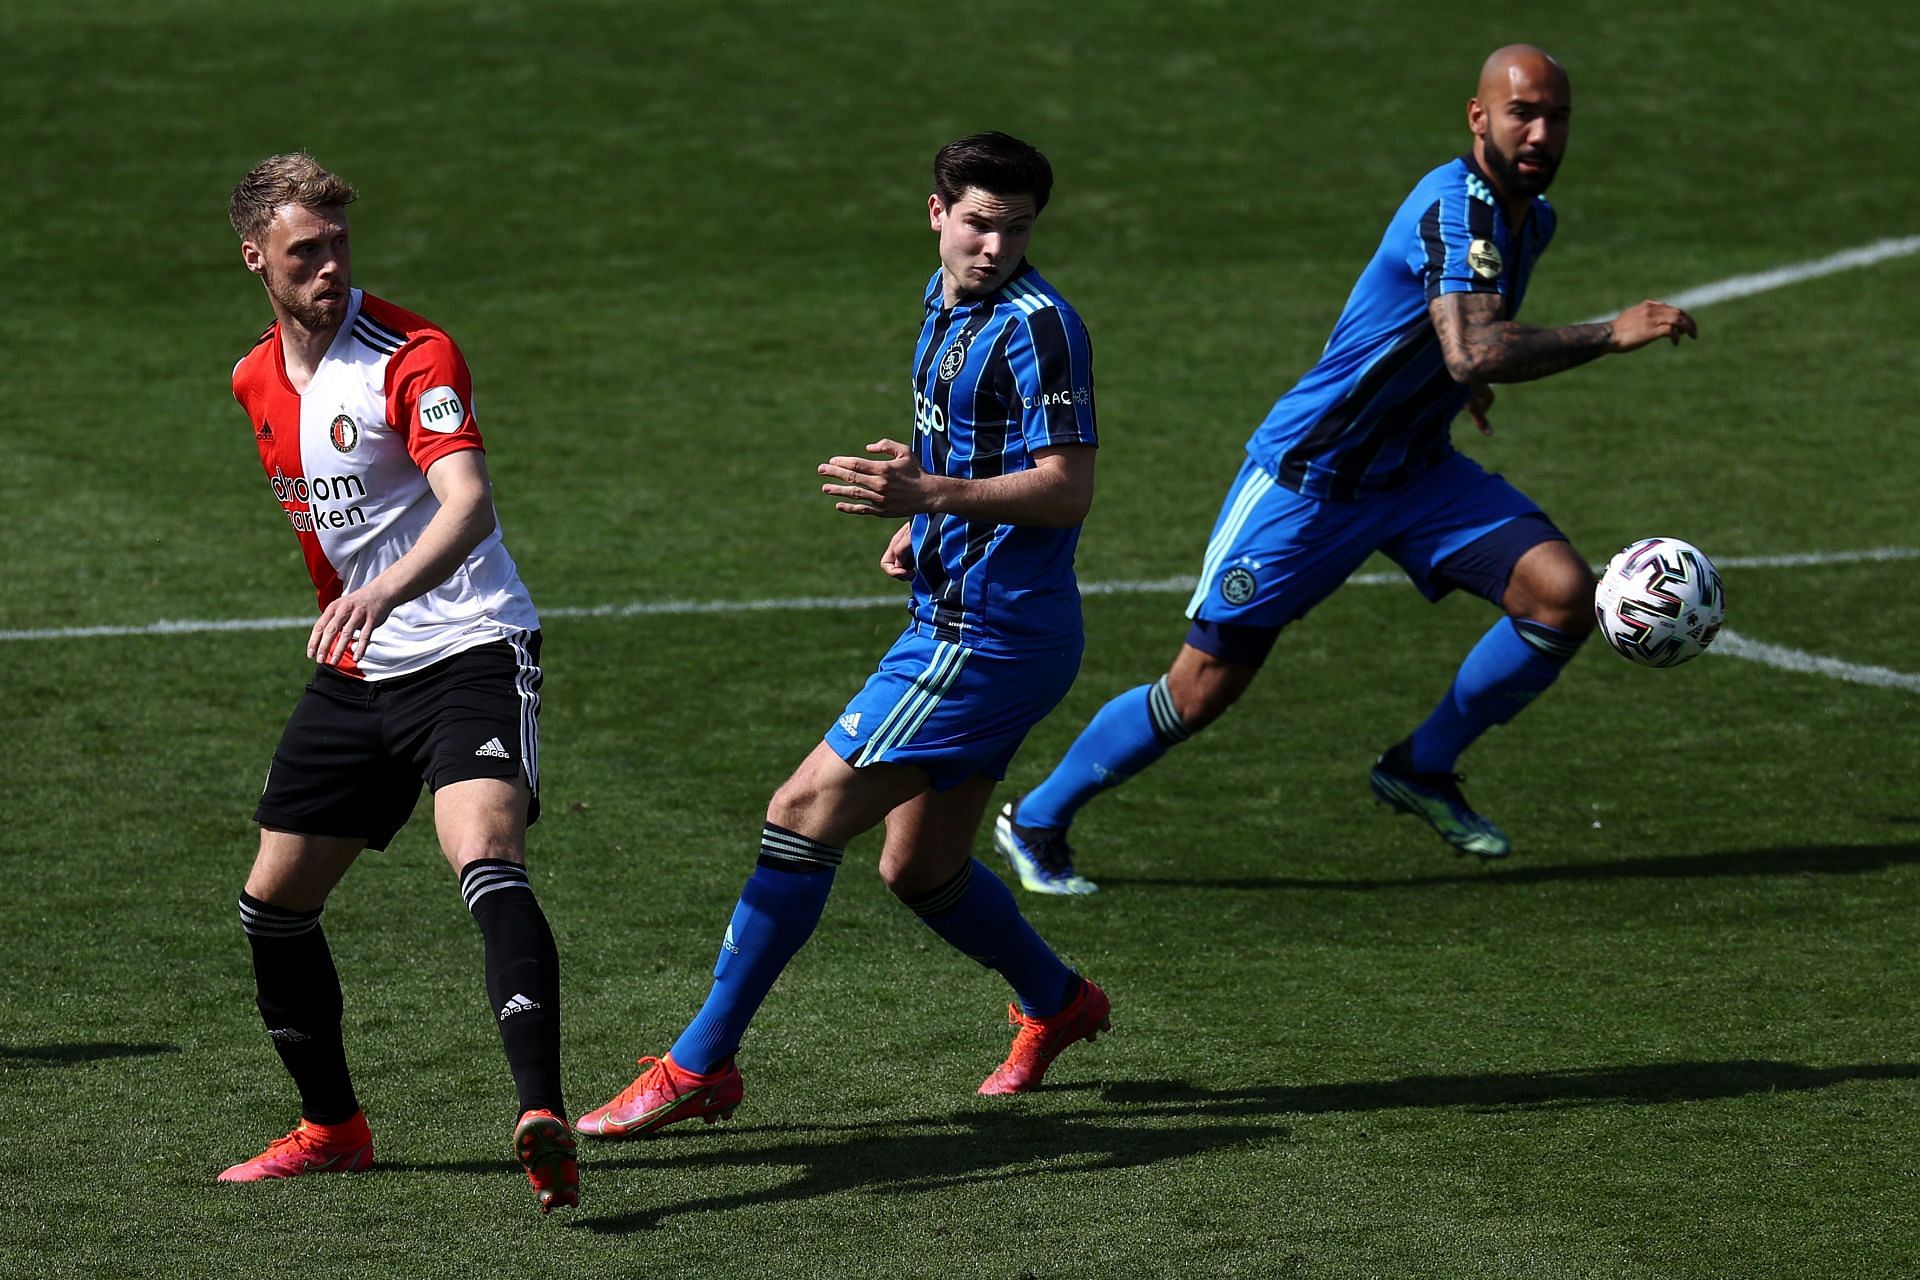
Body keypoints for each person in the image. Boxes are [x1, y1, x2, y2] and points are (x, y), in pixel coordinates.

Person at [995, 45, 1699, 894]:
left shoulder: (1528, 217)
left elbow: (1453, 344)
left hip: (1415, 473)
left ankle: (1421, 766)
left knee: (1559, 595)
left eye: (1557, 116)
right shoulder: (1457, 207)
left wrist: (1459, 390)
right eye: (1523, 113)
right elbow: (1473, 344)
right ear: (1480, 119)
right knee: (1201, 688)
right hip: (1311, 480)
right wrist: (1605, 333)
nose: (1542, 131)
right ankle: (1034, 819)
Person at [578, 132, 1109, 1140]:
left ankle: (701, 1063)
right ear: (938, 213)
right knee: (919, 869)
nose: (996, 245)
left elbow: (1068, 485)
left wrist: (933, 492)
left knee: (802, 805)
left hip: (987, 634)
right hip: (971, 617)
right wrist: (924, 509)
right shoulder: (941, 298)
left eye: (1019, 227)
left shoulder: (1043, 327)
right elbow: (968, 446)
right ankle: (1059, 1000)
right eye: (980, 222)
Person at [216, 154, 577, 1213]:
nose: (330, 267)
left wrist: (384, 592)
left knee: (485, 854)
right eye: (304, 252)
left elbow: (464, 502)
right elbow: (329, 533)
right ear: (256, 259)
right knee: (273, 905)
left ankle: (539, 1112)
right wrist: (359, 612)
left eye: (339, 246)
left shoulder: (410, 353)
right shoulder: (254, 379)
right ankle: (333, 1129)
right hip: (360, 668)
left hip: (469, 644)